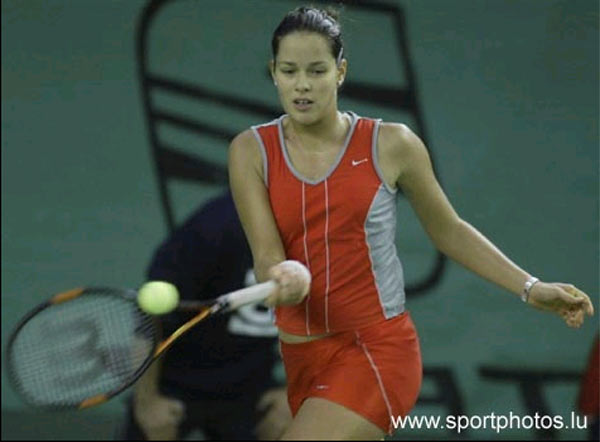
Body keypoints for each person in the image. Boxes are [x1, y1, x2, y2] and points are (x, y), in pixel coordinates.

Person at [227, 6, 596, 440]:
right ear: (273, 72)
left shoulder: (392, 144)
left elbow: (450, 230)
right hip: (302, 359)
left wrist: (530, 287)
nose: (302, 85)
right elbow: (267, 252)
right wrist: (279, 277)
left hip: (376, 350)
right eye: (289, 71)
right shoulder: (250, 151)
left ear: (340, 72)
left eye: (317, 70)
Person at [119, 191, 292, 440]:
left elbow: (342, 326)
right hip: (174, 384)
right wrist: (147, 402)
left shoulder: (335, 236)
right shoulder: (215, 227)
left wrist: (294, 394)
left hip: (251, 387)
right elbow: (150, 319)